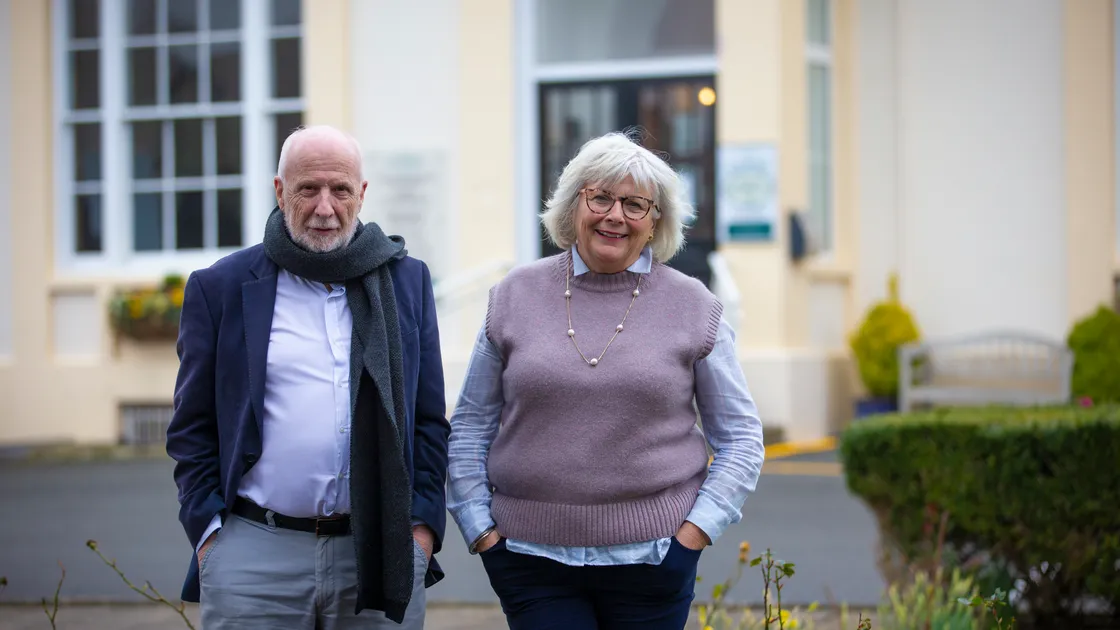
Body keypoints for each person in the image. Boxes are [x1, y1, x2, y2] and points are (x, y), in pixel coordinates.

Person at [446, 131, 766, 630]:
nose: (616, 216)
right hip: (531, 561)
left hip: (654, 562)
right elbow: (469, 425)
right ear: (575, 203)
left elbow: (742, 439)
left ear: (655, 220)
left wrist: (694, 535)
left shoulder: (694, 305)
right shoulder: (513, 296)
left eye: (636, 204)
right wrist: (481, 532)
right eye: (601, 198)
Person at [167, 125, 450, 629]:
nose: (325, 208)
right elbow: (191, 425)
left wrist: (421, 532)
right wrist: (210, 536)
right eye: (307, 189)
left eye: (340, 190)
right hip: (254, 554)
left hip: (380, 551)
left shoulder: (407, 282)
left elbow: (428, 421)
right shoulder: (222, 288)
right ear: (279, 191)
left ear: (361, 195)